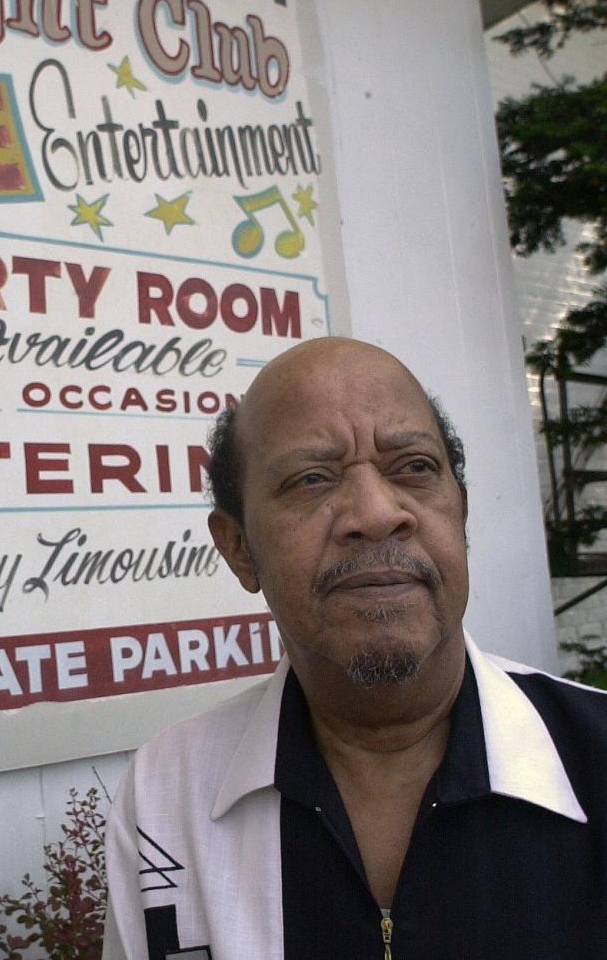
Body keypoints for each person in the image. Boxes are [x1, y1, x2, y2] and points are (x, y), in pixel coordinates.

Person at [102, 336, 607, 960]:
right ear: (238, 548)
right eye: (311, 478)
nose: (375, 512)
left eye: (415, 468)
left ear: (462, 510)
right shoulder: (167, 791)